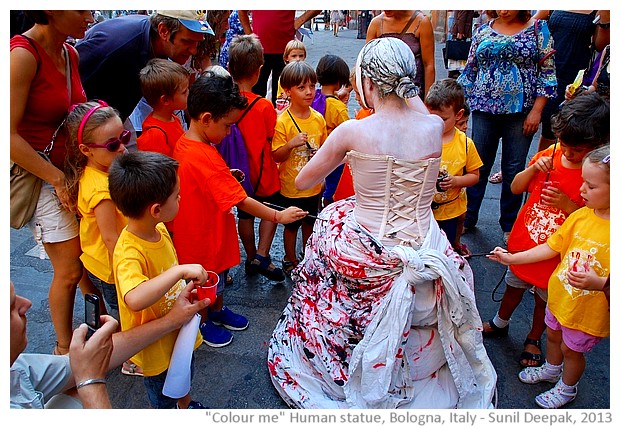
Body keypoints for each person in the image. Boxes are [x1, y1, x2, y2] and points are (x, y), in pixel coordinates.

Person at [268, 37, 496, 408]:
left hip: (369, 241)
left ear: (367, 83)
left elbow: (305, 181)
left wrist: (344, 156)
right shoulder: (433, 128)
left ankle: (340, 358)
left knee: (324, 237)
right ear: (408, 82)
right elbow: (417, 110)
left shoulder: (351, 132)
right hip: (426, 241)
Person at [171, 71, 307, 347]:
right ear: (206, 118)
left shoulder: (189, 143)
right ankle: (202, 322)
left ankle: (217, 311)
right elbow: (241, 200)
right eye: (228, 125)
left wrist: (225, 173)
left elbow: (204, 180)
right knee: (205, 282)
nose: (230, 131)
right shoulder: (204, 155)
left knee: (215, 276)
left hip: (203, 228)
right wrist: (278, 215)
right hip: (201, 236)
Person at [482, 93, 609, 368]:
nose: (566, 152)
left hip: (555, 256)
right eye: (562, 143)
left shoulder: (597, 178)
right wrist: (532, 170)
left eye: (576, 149)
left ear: (597, 146)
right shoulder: (548, 155)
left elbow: (595, 220)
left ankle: (533, 337)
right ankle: (500, 321)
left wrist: (567, 203)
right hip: (526, 244)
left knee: (544, 301)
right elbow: (516, 187)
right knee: (513, 285)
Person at [10, 10, 104, 356]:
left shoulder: (70, 52)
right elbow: (9, 136)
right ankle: (64, 352)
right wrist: (57, 179)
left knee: (81, 254)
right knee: (67, 269)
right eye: (81, 8)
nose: (90, 15)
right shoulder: (22, 55)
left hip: (69, 172)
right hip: (43, 176)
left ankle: (97, 317)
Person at [488, 144, 610, 408]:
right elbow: (550, 247)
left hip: (586, 310)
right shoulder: (580, 216)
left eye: (591, 186)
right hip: (561, 298)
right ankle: (552, 369)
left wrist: (600, 283)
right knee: (554, 336)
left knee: (572, 350)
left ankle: (567, 388)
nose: (581, 190)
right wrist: (512, 257)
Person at [108, 151, 209, 409]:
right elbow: (135, 298)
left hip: (178, 332)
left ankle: (186, 405)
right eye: (176, 196)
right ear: (156, 209)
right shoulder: (129, 251)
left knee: (184, 373)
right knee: (163, 393)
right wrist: (179, 272)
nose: (180, 198)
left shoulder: (158, 228)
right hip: (155, 347)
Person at [10, 280, 210, 409]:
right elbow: (83, 373)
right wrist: (90, 381)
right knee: (79, 388)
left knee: (72, 386)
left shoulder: (15, 368)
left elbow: (76, 366)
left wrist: (171, 321)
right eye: (11, 306)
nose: (26, 303)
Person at [457, 10, 557, 243]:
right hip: (483, 108)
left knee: (514, 168)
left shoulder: (537, 28)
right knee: (477, 165)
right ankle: (468, 217)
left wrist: (537, 111)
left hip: (521, 111)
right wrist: (460, 110)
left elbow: (548, 73)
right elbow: (470, 72)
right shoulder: (482, 30)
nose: (504, 9)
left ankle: (510, 224)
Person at [76, 10, 214, 149]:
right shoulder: (119, 45)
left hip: (115, 116)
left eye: (197, 43)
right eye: (187, 41)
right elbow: (73, 82)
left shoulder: (156, 43)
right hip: (89, 124)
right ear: (163, 31)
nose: (194, 50)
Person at [228, 34, 285, 282]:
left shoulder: (226, 102)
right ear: (260, 71)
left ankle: (250, 255)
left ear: (230, 69)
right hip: (262, 170)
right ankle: (262, 254)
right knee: (270, 210)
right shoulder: (263, 106)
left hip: (239, 172)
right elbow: (272, 137)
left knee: (245, 214)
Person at [272, 61, 328, 274]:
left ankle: (308, 255)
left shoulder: (318, 119)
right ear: (287, 91)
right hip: (291, 185)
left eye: (312, 86)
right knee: (291, 224)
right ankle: (290, 258)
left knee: (310, 222)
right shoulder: (283, 122)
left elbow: (324, 151)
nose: (309, 92)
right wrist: (291, 144)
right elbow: (276, 154)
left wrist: (321, 170)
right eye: (302, 87)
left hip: (313, 185)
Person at [533, 10, 609, 152]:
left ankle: (548, 165)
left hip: (573, 74)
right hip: (545, 69)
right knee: (530, 121)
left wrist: (606, 19)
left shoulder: (599, 8)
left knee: (555, 127)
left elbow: (601, 45)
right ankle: (533, 166)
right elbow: (531, 24)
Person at [424, 78, 482, 255]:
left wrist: (456, 180)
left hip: (450, 211)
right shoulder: (422, 136)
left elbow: (475, 175)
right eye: (430, 116)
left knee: (445, 250)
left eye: (442, 119)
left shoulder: (465, 144)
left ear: (458, 115)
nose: (435, 123)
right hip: (424, 211)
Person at [237, 10, 321, 104]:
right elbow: (242, 11)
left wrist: (299, 21)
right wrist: (250, 35)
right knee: (257, 93)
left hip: (285, 51)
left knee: (283, 95)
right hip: (260, 50)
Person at [366, 10, 435, 99]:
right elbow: (368, 63)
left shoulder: (421, 22)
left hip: (413, 93)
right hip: (384, 95)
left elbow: (428, 65)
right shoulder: (377, 23)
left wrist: (428, 101)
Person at [313, 54, 351, 208]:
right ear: (339, 82)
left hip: (315, 150)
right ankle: (327, 207)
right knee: (332, 186)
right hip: (334, 156)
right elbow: (348, 133)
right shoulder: (338, 107)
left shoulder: (313, 96)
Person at [136, 59, 190, 157]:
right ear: (165, 100)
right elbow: (157, 171)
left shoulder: (174, 118)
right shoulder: (154, 134)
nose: (188, 93)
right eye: (184, 92)